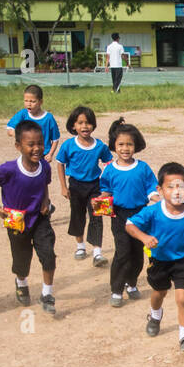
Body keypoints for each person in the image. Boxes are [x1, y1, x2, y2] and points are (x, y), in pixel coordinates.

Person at [125, 163, 184, 354]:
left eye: (181, 186)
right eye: (170, 186)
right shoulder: (153, 212)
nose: (176, 191)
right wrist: (144, 237)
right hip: (159, 261)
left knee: (182, 298)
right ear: (159, 190)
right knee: (159, 293)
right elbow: (129, 224)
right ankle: (155, 316)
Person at [0, 120, 59, 316]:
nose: (37, 148)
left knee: (48, 255)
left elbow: (44, 184)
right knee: (22, 259)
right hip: (17, 222)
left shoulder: (44, 166)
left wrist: (45, 201)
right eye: (30, 144)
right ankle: (21, 282)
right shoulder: (9, 169)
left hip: (40, 219)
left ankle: (47, 294)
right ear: (18, 146)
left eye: (40, 143)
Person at [97, 118, 160, 307]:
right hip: (119, 215)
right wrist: (101, 200)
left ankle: (131, 283)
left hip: (140, 215)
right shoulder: (109, 170)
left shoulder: (143, 167)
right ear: (114, 146)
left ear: (136, 145)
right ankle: (116, 290)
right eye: (121, 144)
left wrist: (158, 199)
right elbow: (105, 189)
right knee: (122, 252)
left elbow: (151, 188)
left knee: (137, 253)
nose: (125, 148)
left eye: (129, 144)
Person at [56, 106, 114, 266]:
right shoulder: (68, 145)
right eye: (80, 123)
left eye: (88, 123)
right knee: (77, 215)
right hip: (75, 186)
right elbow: (60, 164)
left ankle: (97, 252)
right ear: (73, 125)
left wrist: (107, 186)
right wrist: (63, 186)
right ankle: (80, 246)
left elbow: (109, 162)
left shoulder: (100, 145)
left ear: (93, 125)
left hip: (96, 186)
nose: (84, 126)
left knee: (98, 217)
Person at [5, 85, 61, 162]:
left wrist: (50, 154)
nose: (29, 104)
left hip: (43, 156)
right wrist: (20, 136)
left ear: (41, 102)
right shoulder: (23, 114)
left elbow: (55, 139)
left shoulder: (48, 118)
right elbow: (9, 129)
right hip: (27, 154)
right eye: (26, 101)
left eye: (32, 101)